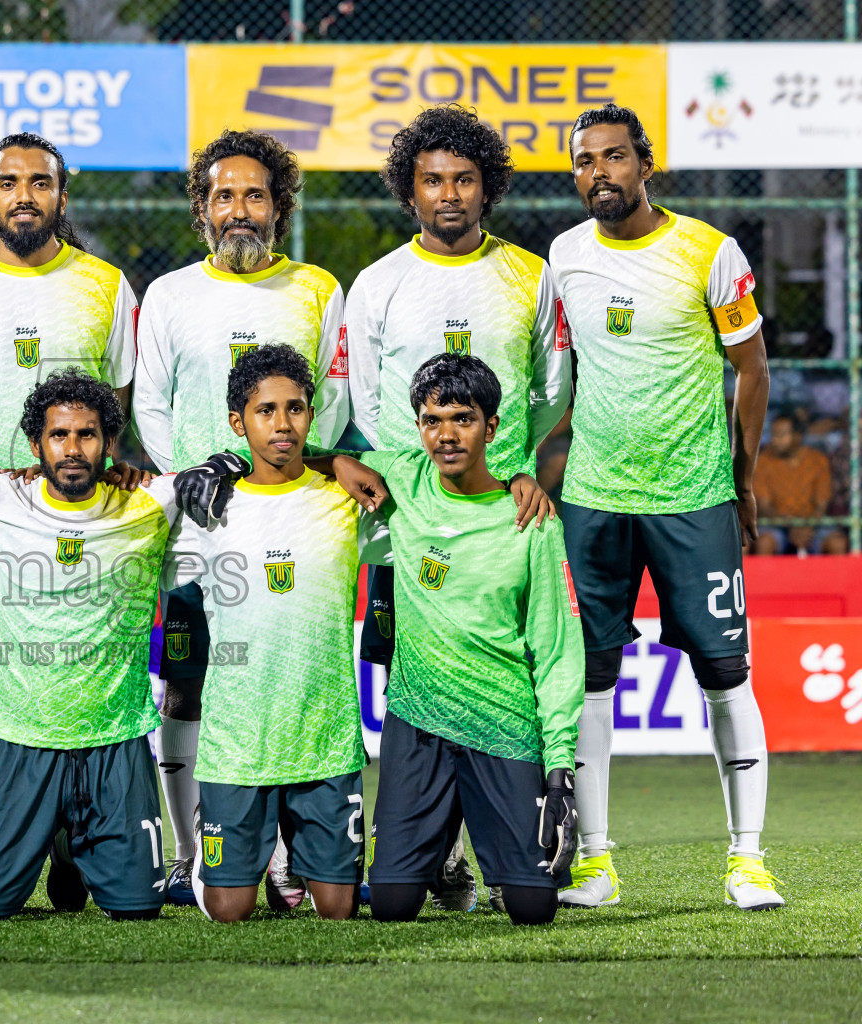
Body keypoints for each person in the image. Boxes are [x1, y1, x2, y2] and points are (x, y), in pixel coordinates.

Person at [340, 105, 574, 909]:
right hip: (412, 512)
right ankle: (431, 850)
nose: (449, 194)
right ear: (410, 192)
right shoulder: (378, 283)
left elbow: (550, 391)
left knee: (508, 655)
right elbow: (367, 401)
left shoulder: (530, 275)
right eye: (433, 181)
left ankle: (512, 837)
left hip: (506, 511)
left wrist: (507, 469)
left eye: (464, 180)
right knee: (403, 664)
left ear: (487, 188)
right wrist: (413, 475)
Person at [551, 103, 780, 910]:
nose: (599, 173)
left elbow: (752, 369)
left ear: (645, 165)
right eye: (585, 161)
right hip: (593, 499)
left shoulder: (709, 252)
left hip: (693, 498)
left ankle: (748, 860)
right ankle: (595, 865)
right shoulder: (564, 256)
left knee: (725, 673)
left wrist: (743, 477)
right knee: (590, 679)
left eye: (614, 157)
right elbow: (557, 379)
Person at [0, 134, 138, 890]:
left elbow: (118, 403)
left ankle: (75, 839)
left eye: (40, 182)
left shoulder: (106, 285)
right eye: (7, 182)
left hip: (79, 526)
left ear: (62, 197)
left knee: (70, 671)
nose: (23, 195)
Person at [132, 130, 351, 906]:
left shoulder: (319, 289)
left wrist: (291, 471)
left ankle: (290, 855)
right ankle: (192, 853)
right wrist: (196, 479)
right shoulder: (169, 295)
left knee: (286, 672)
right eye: (223, 195)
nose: (238, 210)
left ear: (278, 207)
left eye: (254, 195)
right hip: (198, 530)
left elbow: (334, 400)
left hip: (293, 517)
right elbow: (150, 403)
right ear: (202, 209)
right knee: (188, 684)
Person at [0, 370, 170, 920]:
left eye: (87, 434)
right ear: (35, 444)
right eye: (59, 435)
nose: (73, 448)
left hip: (114, 739)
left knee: (138, 909)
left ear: (109, 442)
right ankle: (61, 830)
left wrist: (335, 462)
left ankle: (72, 838)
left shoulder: (151, 502)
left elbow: (245, 470)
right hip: (19, 741)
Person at [164, 345, 375, 922]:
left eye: (296, 408)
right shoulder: (208, 506)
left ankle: (290, 850)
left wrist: (338, 459)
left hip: (323, 735)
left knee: (338, 910)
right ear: (238, 423)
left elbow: (419, 469)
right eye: (266, 411)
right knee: (228, 910)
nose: (283, 424)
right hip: (238, 741)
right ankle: (221, 840)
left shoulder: (347, 498)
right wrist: (207, 467)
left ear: (312, 414)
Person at [752, 414, 832, 555]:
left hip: (813, 525)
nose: (775, 440)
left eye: (781, 435)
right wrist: (791, 527)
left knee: (836, 543)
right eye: (773, 434)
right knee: (765, 543)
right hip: (777, 525)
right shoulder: (763, 462)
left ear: (797, 436)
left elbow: (821, 504)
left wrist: (807, 527)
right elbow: (764, 506)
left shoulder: (818, 460)